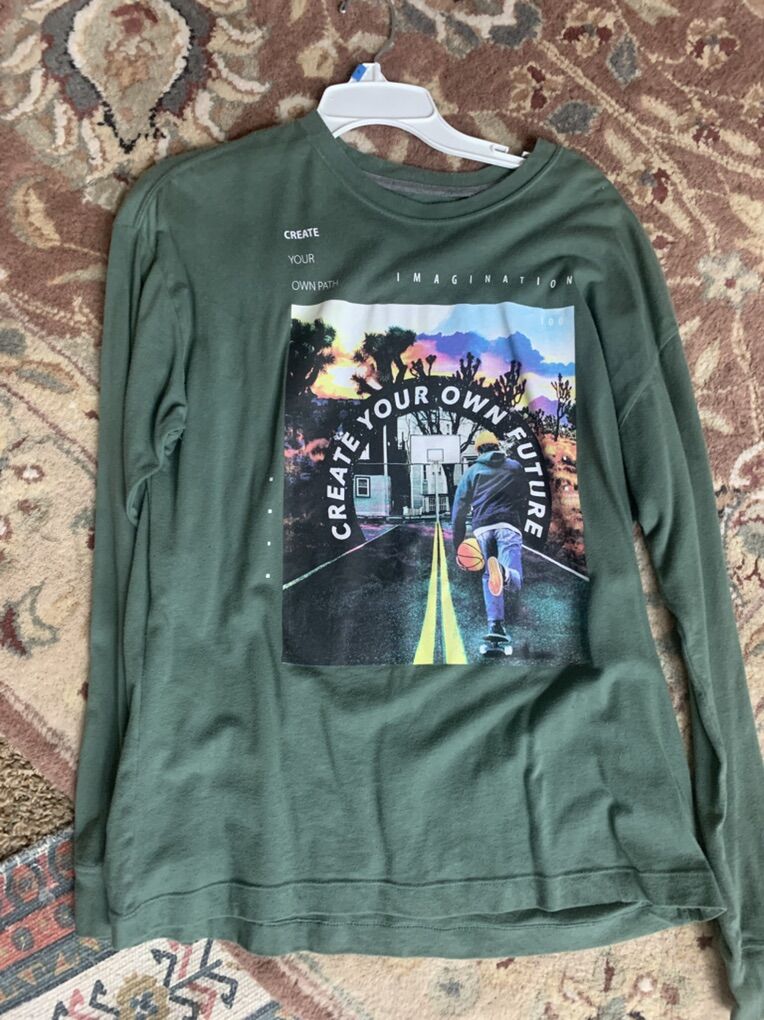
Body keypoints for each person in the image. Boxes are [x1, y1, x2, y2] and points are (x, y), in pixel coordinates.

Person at [451, 430, 529, 642]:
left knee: (488, 576)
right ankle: (503, 572)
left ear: (478, 451)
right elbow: (524, 498)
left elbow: (459, 510)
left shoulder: (472, 472)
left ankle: (495, 625)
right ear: (497, 446)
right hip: (508, 524)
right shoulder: (515, 467)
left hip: (482, 528)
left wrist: (458, 546)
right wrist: (519, 524)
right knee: (514, 579)